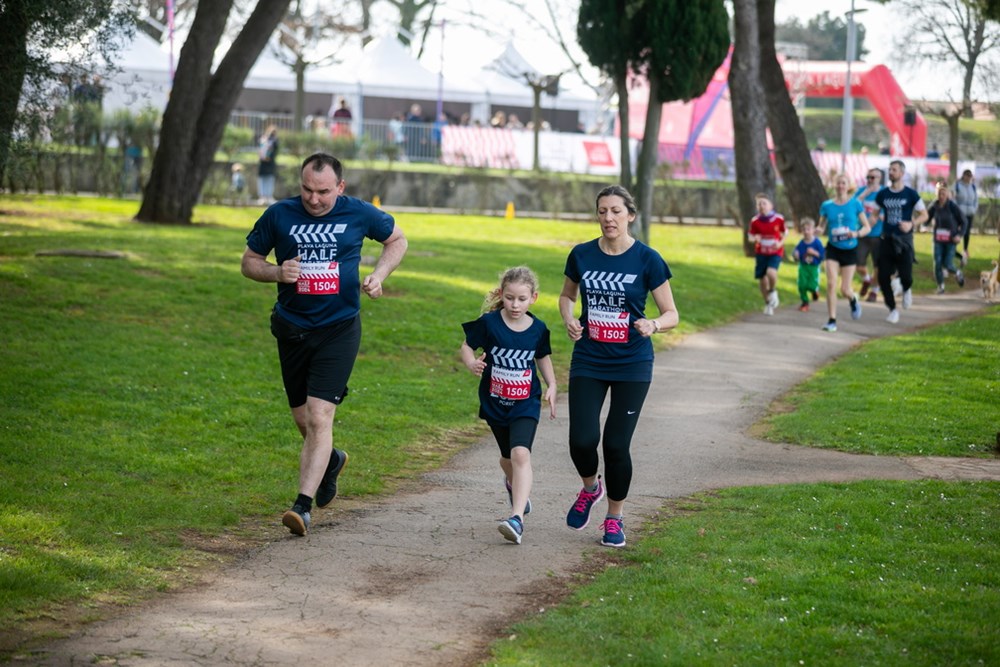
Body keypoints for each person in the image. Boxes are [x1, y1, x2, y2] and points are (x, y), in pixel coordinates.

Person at [241, 153, 408, 536]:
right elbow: (249, 261)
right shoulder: (279, 215)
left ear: (341, 187)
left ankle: (302, 507)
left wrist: (379, 274)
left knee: (319, 416)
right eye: (306, 190)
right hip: (292, 328)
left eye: (323, 192)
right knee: (304, 420)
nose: (313, 199)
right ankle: (331, 460)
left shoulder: (359, 213)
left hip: (339, 328)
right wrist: (276, 272)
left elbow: (397, 239)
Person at [559, 185, 679, 548]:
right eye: (602, 211)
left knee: (615, 445)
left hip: (632, 363)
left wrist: (653, 324)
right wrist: (568, 318)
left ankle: (614, 518)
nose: (608, 218)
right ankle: (590, 489)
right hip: (590, 358)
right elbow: (567, 295)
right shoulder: (581, 255)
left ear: (630, 215)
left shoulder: (647, 259)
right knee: (582, 439)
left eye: (615, 211)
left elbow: (672, 314)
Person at [460, 267, 557, 545]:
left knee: (520, 454)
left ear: (533, 298)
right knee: (506, 457)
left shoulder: (538, 329)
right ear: (502, 295)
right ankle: (516, 487)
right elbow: (467, 346)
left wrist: (551, 384)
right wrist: (471, 362)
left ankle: (516, 518)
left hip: (525, 402)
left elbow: (543, 357)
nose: (516, 305)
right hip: (495, 401)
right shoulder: (489, 323)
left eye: (522, 299)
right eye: (511, 298)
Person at [874, 160, 928, 324]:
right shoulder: (883, 194)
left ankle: (906, 288)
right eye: (889, 169)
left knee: (907, 277)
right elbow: (874, 215)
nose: (891, 172)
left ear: (902, 174)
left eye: (894, 170)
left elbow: (924, 215)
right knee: (883, 277)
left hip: (904, 241)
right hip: (887, 240)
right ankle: (892, 309)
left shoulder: (911, 194)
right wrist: (863, 227)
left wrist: (911, 224)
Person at [817, 174, 871, 332]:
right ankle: (832, 320)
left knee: (845, 289)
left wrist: (856, 234)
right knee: (831, 283)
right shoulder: (826, 205)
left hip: (849, 249)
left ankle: (853, 299)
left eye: (843, 183)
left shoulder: (855, 204)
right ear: (834, 185)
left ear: (848, 186)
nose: (840, 186)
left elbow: (866, 227)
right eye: (838, 183)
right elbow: (822, 225)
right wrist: (818, 230)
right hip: (833, 248)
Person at [747, 192, 786, 315]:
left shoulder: (778, 219)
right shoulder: (755, 221)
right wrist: (755, 239)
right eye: (759, 204)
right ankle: (767, 302)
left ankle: (773, 290)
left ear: (771, 205)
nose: (762, 206)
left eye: (764, 203)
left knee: (771, 272)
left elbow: (784, 234)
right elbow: (750, 236)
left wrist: (780, 244)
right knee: (762, 278)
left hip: (775, 251)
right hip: (761, 252)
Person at [926, 183, 967, 293]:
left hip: (951, 240)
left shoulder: (953, 207)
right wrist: (925, 222)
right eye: (939, 193)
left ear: (947, 194)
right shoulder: (934, 206)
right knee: (937, 263)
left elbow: (964, 222)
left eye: (943, 193)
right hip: (938, 240)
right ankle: (941, 286)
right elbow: (926, 218)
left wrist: (959, 235)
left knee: (948, 264)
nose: (941, 196)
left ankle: (958, 273)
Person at [854, 168, 885, 303]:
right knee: (858, 264)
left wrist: (881, 217)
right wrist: (866, 193)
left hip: (878, 234)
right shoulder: (862, 191)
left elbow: (889, 212)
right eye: (868, 177)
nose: (870, 180)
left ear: (880, 179)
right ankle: (867, 280)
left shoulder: (885, 193)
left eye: (873, 177)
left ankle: (874, 291)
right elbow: (853, 205)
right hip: (862, 232)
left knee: (878, 266)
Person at [792, 217, 824, 312]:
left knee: (812, 285)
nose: (806, 231)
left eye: (808, 229)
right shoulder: (801, 243)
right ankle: (805, 302)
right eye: (804, 229)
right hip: (803, 267)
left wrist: (814, 252)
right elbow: (796, 254)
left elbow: (822, 255)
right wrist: (796, 255)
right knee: (801, 285)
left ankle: (815, 291)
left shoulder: (817, 243)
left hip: (814, 267)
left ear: (813, 230)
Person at [953, 169, 978, 267]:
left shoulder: (973, 187)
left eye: (970, 176)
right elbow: (953, 199)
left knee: (967, 233)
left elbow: (976, 200)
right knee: (958, 232)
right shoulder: (957, 185)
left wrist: (974, 209)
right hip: (960, 214)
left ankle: (965, 251)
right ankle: (953, 250)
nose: (968, 177)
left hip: (969, 213)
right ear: (963, 176)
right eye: (967, 175)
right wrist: (957, 211)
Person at [257, 125, 279, 205]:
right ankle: (262, 197)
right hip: (263, 164)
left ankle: (269, 196)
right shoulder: (263, 140)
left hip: (270, 164)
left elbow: (276, 149)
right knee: (263, 180)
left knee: (269, 180)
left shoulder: (275, 142)